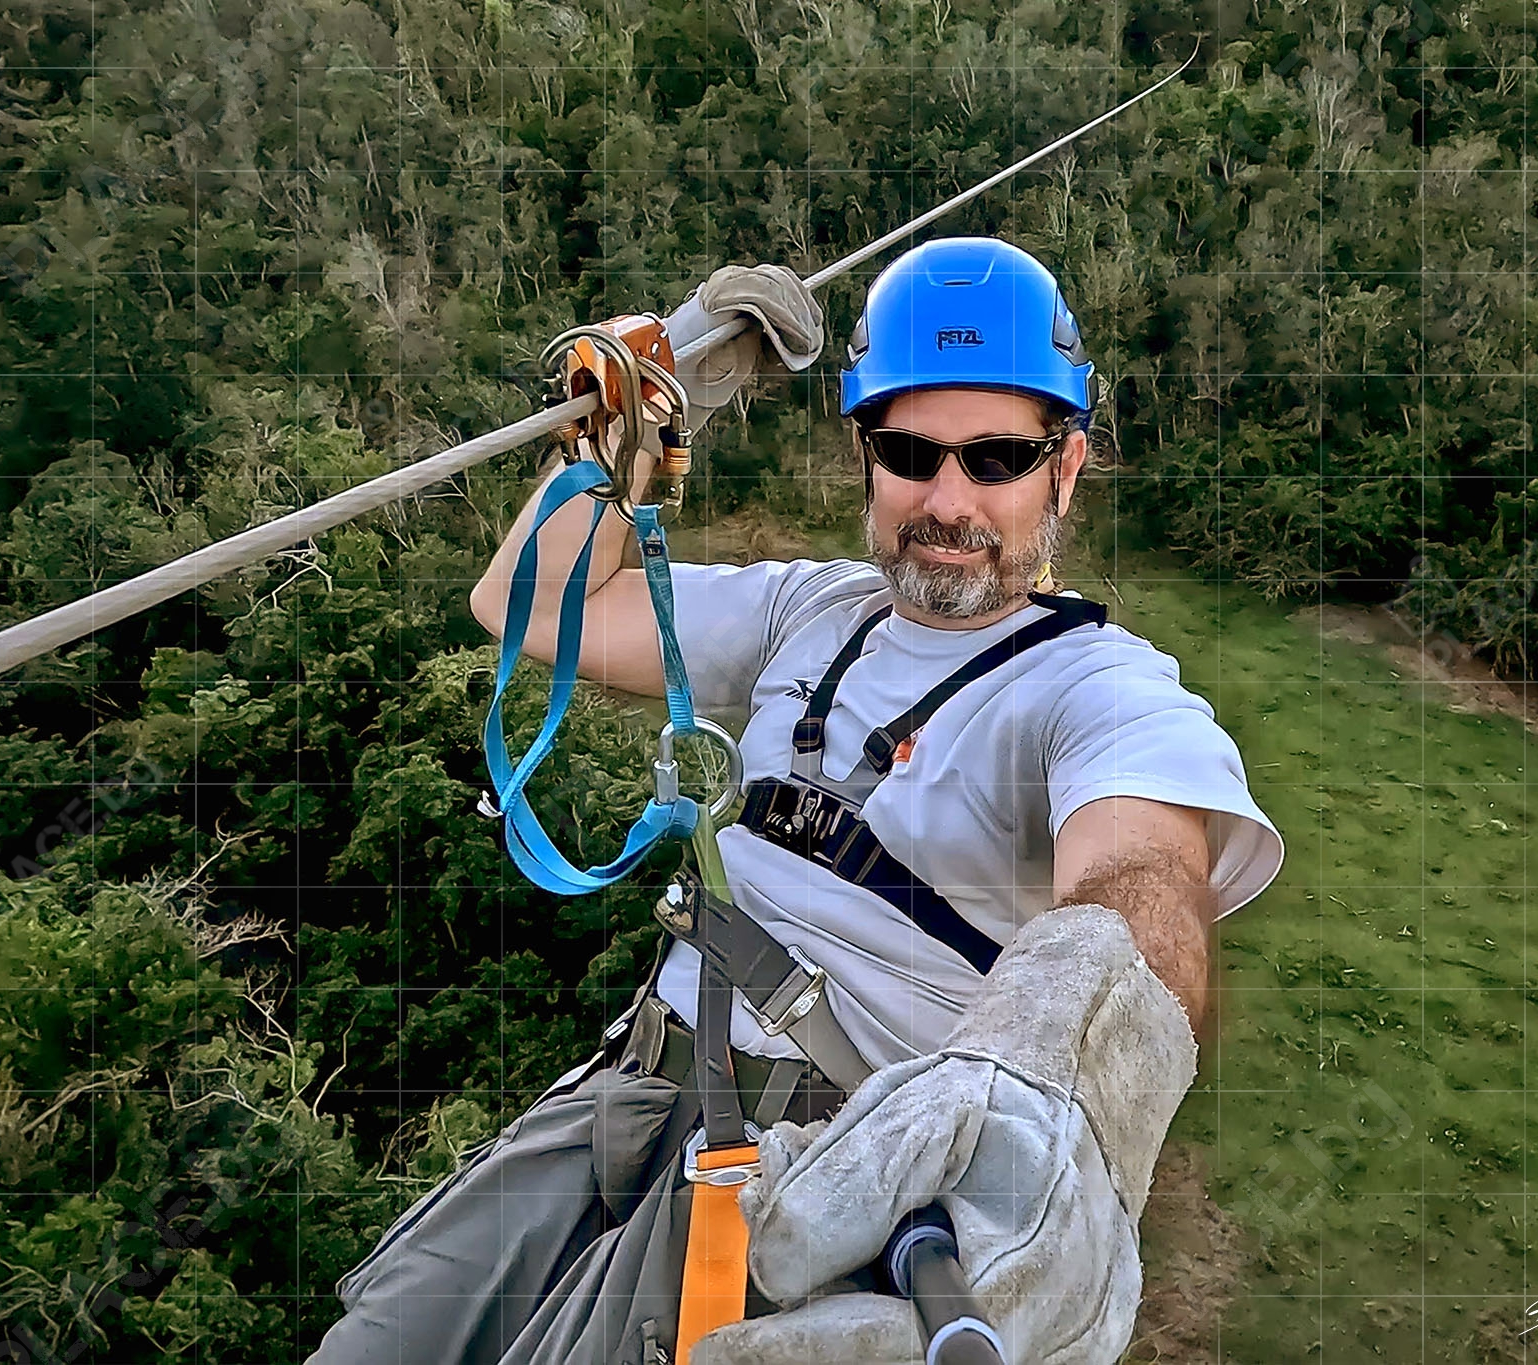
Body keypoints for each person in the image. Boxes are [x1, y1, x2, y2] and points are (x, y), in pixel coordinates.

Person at [308, 237, 1284, 1365]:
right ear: (862, 456)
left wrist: (1060, 1097)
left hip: (801, 1185)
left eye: (999, 457)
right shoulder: (815, 615)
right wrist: (643, 415)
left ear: (1063, 468)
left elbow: (1142, 883)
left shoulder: (1095, 687)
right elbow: (525, 605)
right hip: (626, 1095)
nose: (948, 499)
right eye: (909, 451)